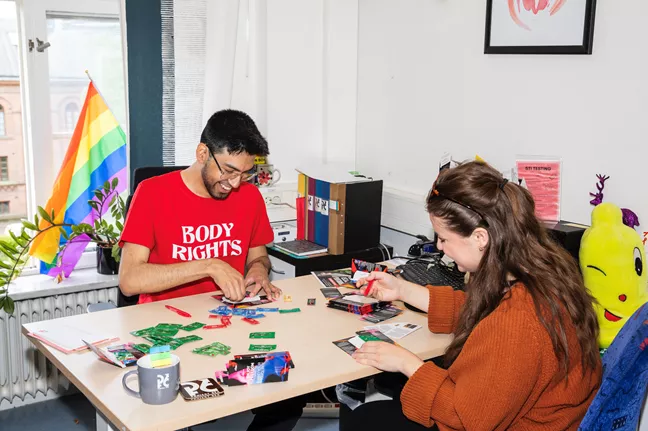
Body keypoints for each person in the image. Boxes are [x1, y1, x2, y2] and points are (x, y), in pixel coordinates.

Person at [341, 161, 602, 431]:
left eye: (443, 238)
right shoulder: (540, 271)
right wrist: (403, 289)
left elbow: (465, 419)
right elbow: (484, 313)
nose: (440, 249)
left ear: (480, 238)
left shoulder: (517, 321)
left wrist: (408, 363)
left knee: (365, 419)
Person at [119, 109, 305, 431]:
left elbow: (258, 256)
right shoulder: (152, 193)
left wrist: (258, 272)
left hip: (231, 324)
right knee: (167, 415)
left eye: (245, 173)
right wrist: (209, 265)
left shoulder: (248, 195)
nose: (235, 184)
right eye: (229, 171)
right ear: (202, 152)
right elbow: (129, 281)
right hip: (169, 331)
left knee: (292, 390)